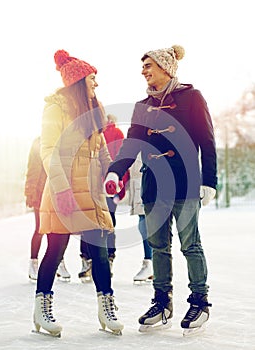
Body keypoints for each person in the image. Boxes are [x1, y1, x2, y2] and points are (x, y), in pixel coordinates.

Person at [104, 45, 217, 334]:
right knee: (158, 247)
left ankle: (199, 301)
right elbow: (131, 144)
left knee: (190, 244)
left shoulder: (192, 97)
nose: (143, 71)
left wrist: (209, 181)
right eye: (142, 66)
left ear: (165, 67)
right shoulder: (142, 107)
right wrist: (116, 170)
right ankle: (162, 301)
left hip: (186, 182)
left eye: (148, 65)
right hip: (154, 186)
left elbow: (207, 140)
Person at [33, 49, 123, 337]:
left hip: (91, 191)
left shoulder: (94, 109)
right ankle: (41, 310)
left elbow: (102, 149)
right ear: (79, 80)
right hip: (65, 188)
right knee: (56, 249)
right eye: (93, 78)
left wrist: (111, 175)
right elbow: (48, 150)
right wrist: (61, 189)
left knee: (99, 250)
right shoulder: (56, 107)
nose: (97, 84)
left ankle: (106, 309)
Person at [78, 114, 129, 281]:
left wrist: (120, 184)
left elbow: (120, 161)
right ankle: (88, 259)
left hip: (108, 186)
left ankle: (107, 257)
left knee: (108, 221)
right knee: (88, 221)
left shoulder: (117, 134)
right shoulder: (91, 132)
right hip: (91, 185)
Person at [25, 136, 70, 282]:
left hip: (57, 191)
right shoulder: (38, 142)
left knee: (58, 229)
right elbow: (32, 169)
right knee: (40, 228)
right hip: (40, 192)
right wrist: (30, 192)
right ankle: (33, 262)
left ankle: (59, 262)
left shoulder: (63, 141)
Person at [128, 154, 153, 284]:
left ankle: (151, 262)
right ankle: (149, 262)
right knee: (143, 225)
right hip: (138, 181)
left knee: (148, 225)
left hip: (150, 181)